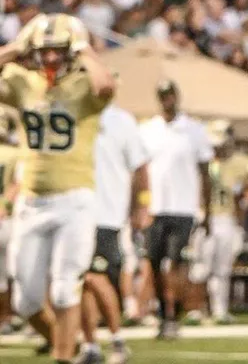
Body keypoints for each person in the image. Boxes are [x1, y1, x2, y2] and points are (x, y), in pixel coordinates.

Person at [0, 13, 116, 364]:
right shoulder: (23, 82)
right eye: (43, 51)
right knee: (27, 302)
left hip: (74, 200)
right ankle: (72, 349)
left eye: (58, 50)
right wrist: (16, 48)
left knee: (66, 289)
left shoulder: (84, 84)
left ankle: (63, 358)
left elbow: (106, 87)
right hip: (32, 202)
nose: (50, 58)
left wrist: (83, 49)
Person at [138, 80, 213, 339]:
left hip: (184, 207)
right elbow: (139, 172)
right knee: (154, 262)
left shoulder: (193, 129)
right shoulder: (147, 129)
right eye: (163, 95)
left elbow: (205, 173)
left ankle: (174, 312)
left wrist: (207, 210)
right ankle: (163, 311)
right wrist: (139, 206)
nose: (167, 99)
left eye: (170, 94)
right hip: (155, 208)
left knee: (177, 262)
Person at [78, 99, 149, 364]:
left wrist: (141, 206)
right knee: (79, 281)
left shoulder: (121, 120)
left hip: (106, 212)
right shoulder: (74, 111)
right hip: (74, 210)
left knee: (95, 276)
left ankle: (117, 339)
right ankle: (90, 344)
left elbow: (140, 167)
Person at [186, 119, 248, 324]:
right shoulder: (203, 163)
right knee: (200, 267)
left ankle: (219, 310)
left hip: (227, 218)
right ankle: (195, 309)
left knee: (222, 269)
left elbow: (240, 197)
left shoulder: (239, 163)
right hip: (204, 217)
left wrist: (239, 225)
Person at [0, 112, 23, 335]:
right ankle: (10, 315)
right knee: (13, 271)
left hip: (6, 216)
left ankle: (6, 316)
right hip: (9, 216)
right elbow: (19, 183)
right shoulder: (16, 153)